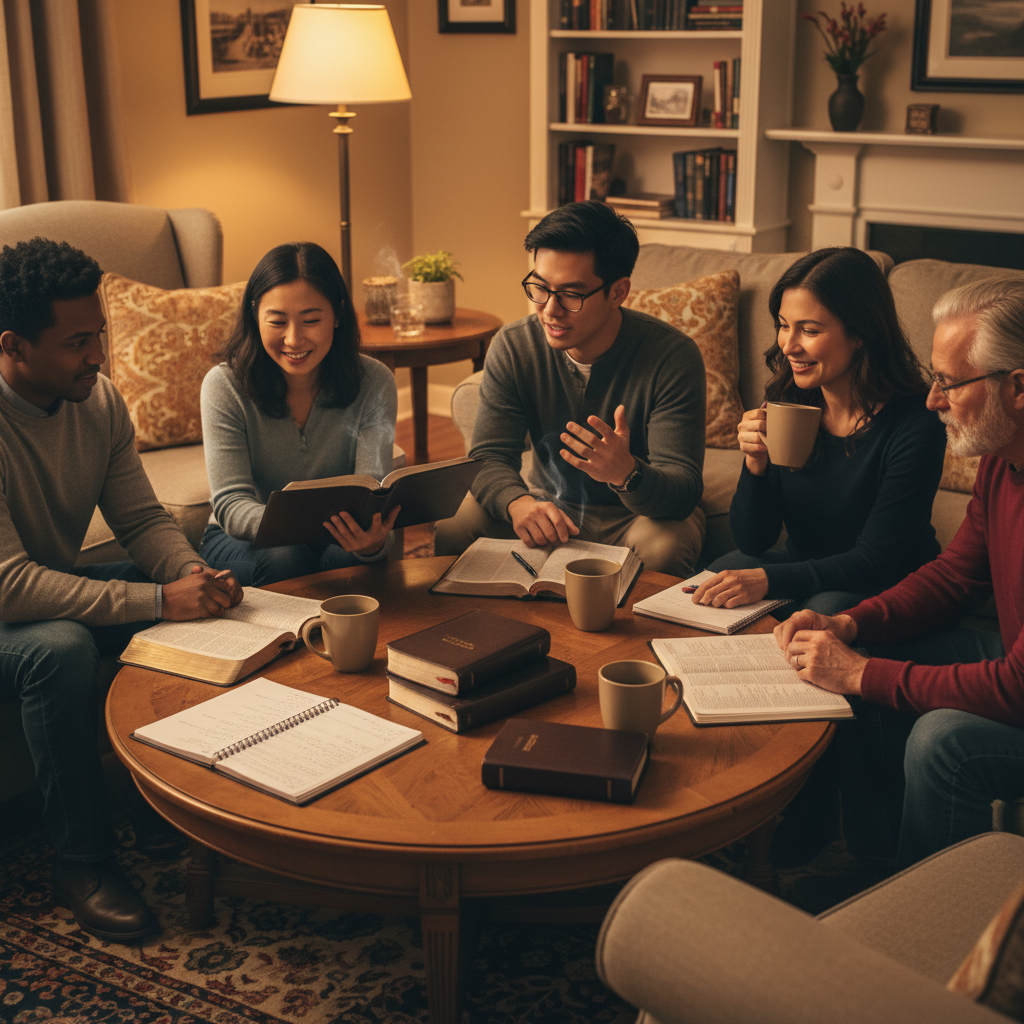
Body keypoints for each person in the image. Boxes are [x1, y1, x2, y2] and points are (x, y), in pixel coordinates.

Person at [0, 237, 243, 942]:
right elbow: (10, 586)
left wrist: (183, 574)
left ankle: (171, 799)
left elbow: (139, 518)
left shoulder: (97, 398)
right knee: (63, 650)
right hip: (11, 605)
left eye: (99, 334)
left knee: (195, 592)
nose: (100, 355)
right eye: (78, 342)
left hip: (42, 587)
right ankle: (82, 864)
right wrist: (158, 601)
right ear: (13, 345)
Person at [774, 276, 1024, 870]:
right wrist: (849, 624)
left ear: (1018, 388)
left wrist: (863, 674)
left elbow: (1016, 689)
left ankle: (934, 932)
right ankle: (874, 862)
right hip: (1013, 656)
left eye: (948, 383)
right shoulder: (1001, 463)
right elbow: (953, 578)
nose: (933, 400)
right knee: (866, 641)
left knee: (944, 743)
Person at [434, 200, 706, 576]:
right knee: (455, 525)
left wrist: (627, 473)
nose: (549, 310)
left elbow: (684, 489)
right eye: (540, 288)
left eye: (571, 295)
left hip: (633, 517)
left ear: (618, 292)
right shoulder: (515, 346)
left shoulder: (671, 357)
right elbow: (488, 456)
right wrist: (518, 504)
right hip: (548, 505)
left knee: (665, 546)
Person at [694, 247, 946, 616]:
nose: (789, 346)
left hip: (887, 579)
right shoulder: (789, 396)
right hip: (807, 564)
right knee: (715, 577)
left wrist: (767, 580)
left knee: (822, 611)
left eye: (809, 330)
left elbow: (873, 561)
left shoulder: (915, 422)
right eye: (783, 325)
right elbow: (754, 540)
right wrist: (755, 465)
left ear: (861, 333)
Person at [199, 242, 399, 586]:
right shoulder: (224, 385)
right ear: (254, 316)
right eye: (277, 321)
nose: (293, 339)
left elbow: (371, 491)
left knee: (351, 557)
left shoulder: (374, 381)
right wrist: (305, 528)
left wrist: (371, 537)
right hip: (243, 539)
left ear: (336, 316)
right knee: (286, 555)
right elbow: (231, 504)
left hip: (335, 536)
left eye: (311, 320)